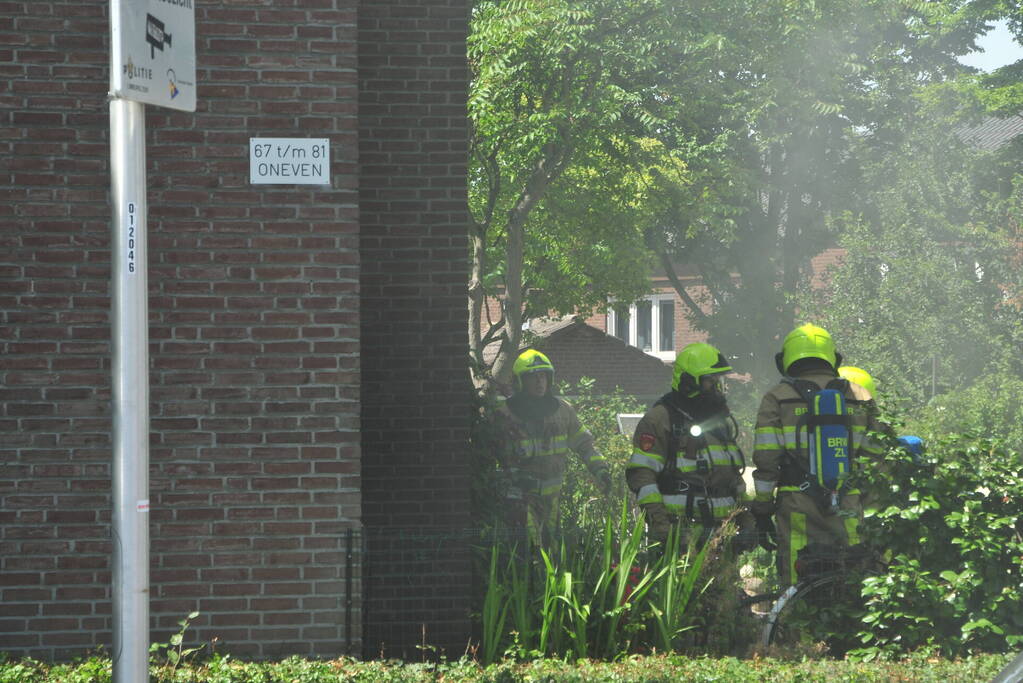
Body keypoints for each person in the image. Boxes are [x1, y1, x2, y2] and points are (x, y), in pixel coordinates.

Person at [751, 324, 886, 585]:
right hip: (849, 502)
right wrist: (871, 507)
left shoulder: (777, 397)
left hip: (797, 504)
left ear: (786, 359)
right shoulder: (860, 396)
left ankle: (794, 621)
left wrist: (763, 508)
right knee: (853, 569)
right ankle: (849, 621)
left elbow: (767, 459)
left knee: (797, 574)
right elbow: (876, 458)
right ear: (832, 358)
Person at [626, 342, 748, 547]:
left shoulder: (719, 423)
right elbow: (642, 476)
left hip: (722, 536)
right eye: (711, 382)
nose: (718, 389)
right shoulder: (660, 419)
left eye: (719, 381)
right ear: (689, 382)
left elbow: (733, 478)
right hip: (680, 535)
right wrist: (663, 529)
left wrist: (746, 522)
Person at [493, 349, 611, 543]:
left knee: (552, 555)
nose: (540, 382)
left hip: (551, 502)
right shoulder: (504, 414)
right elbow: (489, 457)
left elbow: (584, 444)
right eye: (533, 377)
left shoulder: (563, 410)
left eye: (543, 376)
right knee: (522, 559)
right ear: (520, 381)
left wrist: (599, 469)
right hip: (517, 503)